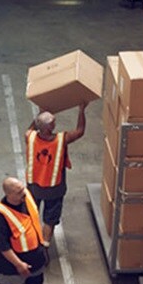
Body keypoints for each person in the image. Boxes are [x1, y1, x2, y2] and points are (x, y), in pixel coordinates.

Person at [25, 105, 86, 245]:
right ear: (49, 128)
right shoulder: (61, 140)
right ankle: (45, 244)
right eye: (53, 122)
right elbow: (80, 131)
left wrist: (39, 115)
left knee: (31, 214)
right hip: (54, 189)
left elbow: (31, 128)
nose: (55, 123)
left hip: (34, 187)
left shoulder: (29, 136)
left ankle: (30, 242)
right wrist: (81, 111)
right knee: (50, 219)